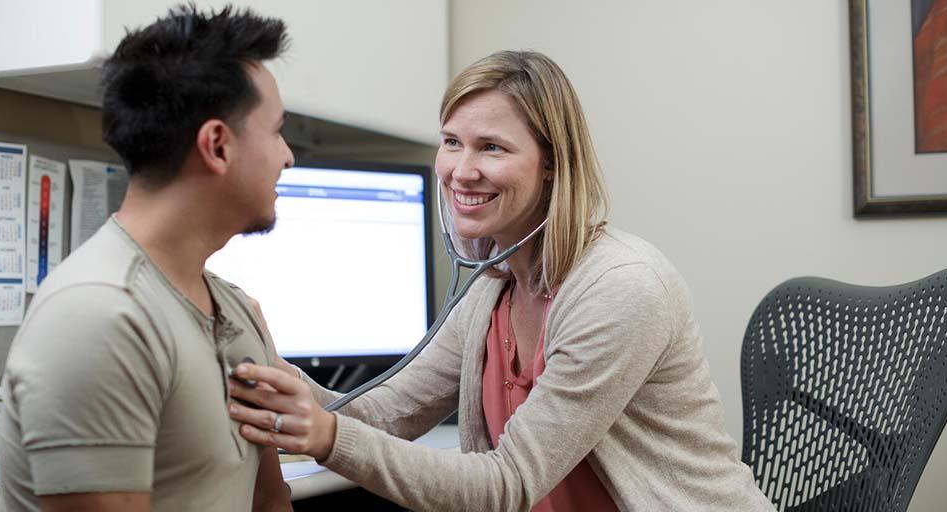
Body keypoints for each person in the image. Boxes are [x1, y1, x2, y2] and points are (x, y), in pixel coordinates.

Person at [227, 50, 775, 511]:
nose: (461, 170)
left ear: (552, 163)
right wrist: (273, 373)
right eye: (451, 142)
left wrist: (325, 435)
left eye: (492, 147)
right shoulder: (495, 286)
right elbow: (385, 414)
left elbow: (508, 483)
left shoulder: (622, 288)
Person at [0, 5, 295, 511]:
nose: (288, 155)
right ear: (218, 145)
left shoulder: (237, 311)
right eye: (276, 130)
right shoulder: (97, 316)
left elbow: (270, 501)